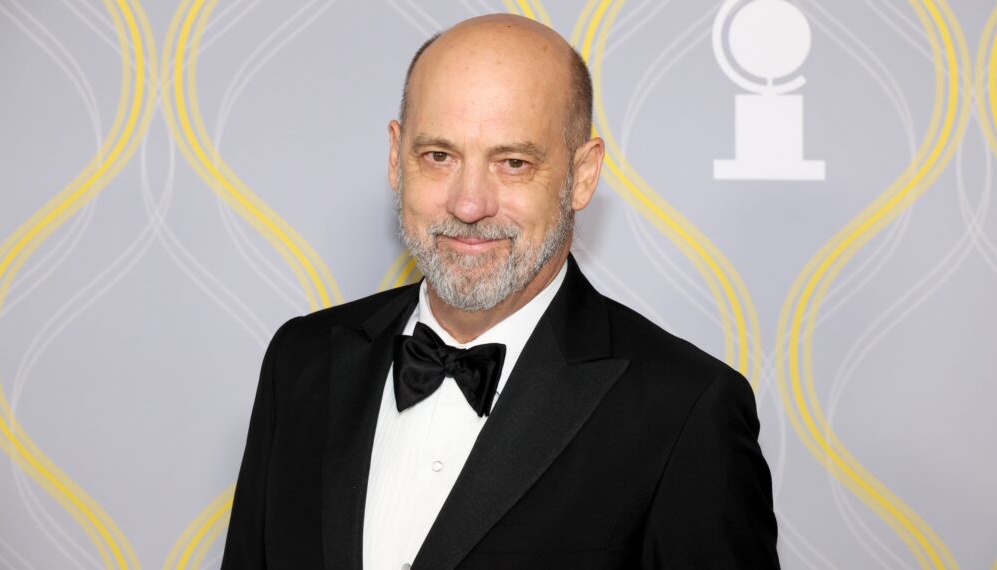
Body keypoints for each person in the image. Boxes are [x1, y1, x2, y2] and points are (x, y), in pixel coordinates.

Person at [221, 13, 778, 569]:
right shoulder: (301, 360)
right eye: (439, 156)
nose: (468, 205)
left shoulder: (685, 410)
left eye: (513, 163)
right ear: (396, 157)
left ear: (582, 175)